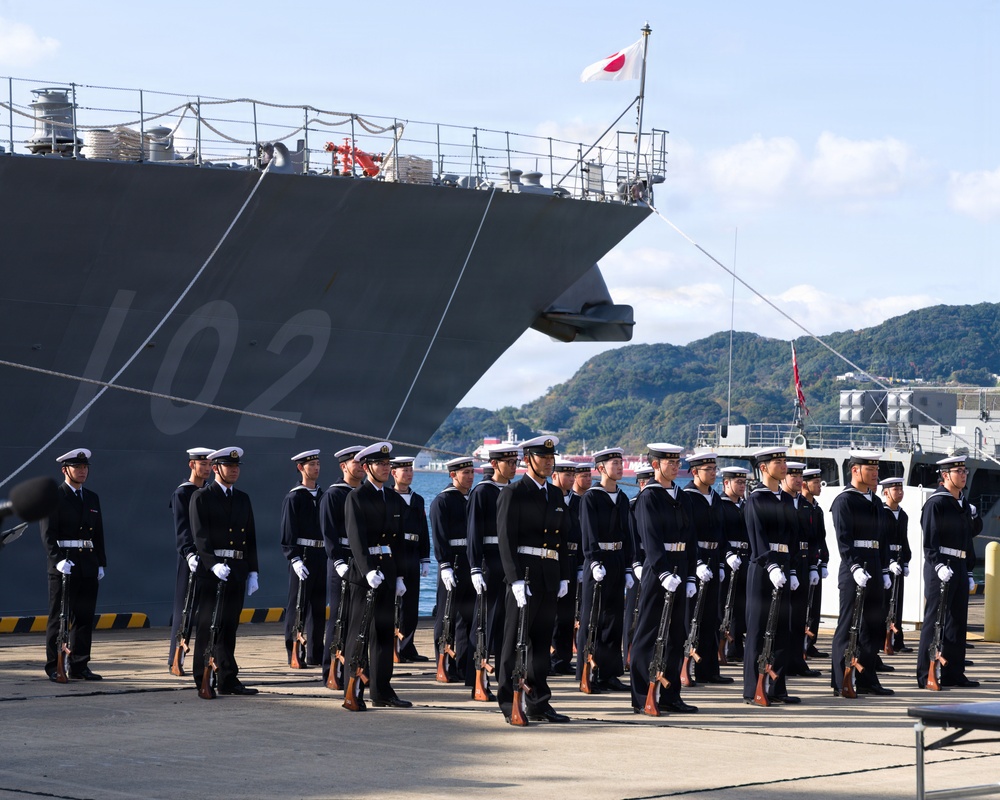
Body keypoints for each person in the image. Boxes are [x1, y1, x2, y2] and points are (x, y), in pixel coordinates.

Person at [496, 435, 572, 725]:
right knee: (514, 641)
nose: (550, 462)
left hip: (549, 575)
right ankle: (507, 701)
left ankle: (539, 702)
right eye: (544, 458)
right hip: (524, 576)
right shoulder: (513, 493)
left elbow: (562, 539)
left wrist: (564, 575)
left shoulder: (555, 495)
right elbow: (505, 540)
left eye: (552, 458)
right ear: (529, 460)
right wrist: (514, 579)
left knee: (541, 643)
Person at [629, 443, 697, 715]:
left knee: (676, 634)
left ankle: (670, 696)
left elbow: (691, 538)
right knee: (648, 633)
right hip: (659, 570)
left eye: (677, 461)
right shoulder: (649, 497)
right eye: (669, 462)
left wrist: (690, 574)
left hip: (680, 566)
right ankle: (642, 695)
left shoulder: (683, 496)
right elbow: (650, 538)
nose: (675, 465)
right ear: (655, 465)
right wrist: (662, 571)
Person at [343, 441, 410, 709]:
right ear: (367, 466)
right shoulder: (356, 497)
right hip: (365, 574)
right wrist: (368, 570)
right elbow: (356, 539)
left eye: (387, 464)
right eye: (380, 464)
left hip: (388, 571)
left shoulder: (393, 498)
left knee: (383, 633)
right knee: (358, 633)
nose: (385, 467)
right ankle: (353, 688)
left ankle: (382, 690)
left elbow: (400, 542)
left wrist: (401, 576)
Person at [190, 447, 260, 696]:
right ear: (216, 468)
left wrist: (253, 571)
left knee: (229, 626)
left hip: (237, 570)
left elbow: (250, 537)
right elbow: (200, 536)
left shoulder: (242, 498)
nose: (234, 470)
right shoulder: (201, 497)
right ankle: (202, 677)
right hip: (213, 571)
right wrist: (212, 563)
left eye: (236, 467)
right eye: (229, 467)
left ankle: (228, 678)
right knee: (208, 624)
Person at [830, 451, 893, 697]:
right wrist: (855, 567)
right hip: (853, 567)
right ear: (855, 470)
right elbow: (844, 540)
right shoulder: (844, 501)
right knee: (847, 625)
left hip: (875, 565)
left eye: (877, 469)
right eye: (870, 469)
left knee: (873, 626)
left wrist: (885, 569)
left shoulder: (875, 502)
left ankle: (867, 678)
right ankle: (839, 681)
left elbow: (883, 539)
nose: (876, 473)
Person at [41, 448, 107, 681]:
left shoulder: (91, 498)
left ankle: (79, 665)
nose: (82, 471)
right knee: (59, 616)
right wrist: (57, 560)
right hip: (64, 563)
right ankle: (53, 665)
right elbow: (48, 534)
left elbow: (98, 534)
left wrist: (100, 562)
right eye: (77, 467)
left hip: (87, 563)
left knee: (84, 617)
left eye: (85, 467)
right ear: (65, 470)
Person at [742, 447, 800, 706]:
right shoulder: (756, 498)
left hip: (784, 566)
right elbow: (757, 537)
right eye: (778, 461)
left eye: (784, 460)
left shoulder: (787, 499)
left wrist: (793, 568)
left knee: (781, 629)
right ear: (764, 467)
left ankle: (777, 687)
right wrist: (771, 565)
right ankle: (753, 687)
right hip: (764, 568)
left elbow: (792, 537)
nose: (784, 465)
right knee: (758, 629)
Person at [916, 455, 979, 688]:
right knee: (934, 621)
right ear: (945, 476)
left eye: (964, 471)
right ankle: (925, 674)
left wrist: (969, 569)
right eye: (958, 471)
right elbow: (930, 540)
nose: (963, 475)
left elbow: (968, 539)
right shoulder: (937, 502)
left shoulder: (961, 503)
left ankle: (954, 672)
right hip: (941, 567)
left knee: (957, 622)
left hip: (960, 566)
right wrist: (939, 564)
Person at [577, 447, 634, 693]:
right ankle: (587, 673)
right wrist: (593, 560)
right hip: (597, 562)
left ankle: (609, 673)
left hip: (617, 559)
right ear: (601, 468)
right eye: (615, 464)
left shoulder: (621, 498)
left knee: (613, 619)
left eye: (621, 463)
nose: (620, 468)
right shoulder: (591, 497)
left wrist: (630, 566)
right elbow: (588, 533)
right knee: (593, 619)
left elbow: (628, 533)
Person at [468, 445, 521, 694]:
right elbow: (474, 534)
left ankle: (503, 674)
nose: (513, 466)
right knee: (485, 622)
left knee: (507, 622)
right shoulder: (482, 491)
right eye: (508, 462)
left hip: (510, 560)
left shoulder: (515, 490)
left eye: (515, 461)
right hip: (490, 560)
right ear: (495, 464)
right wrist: (475, 567)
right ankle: (478, 677)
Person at [682, 452, 734, 685]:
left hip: (714, 558)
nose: (714, 472)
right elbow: (688, 534)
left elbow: (722, 534)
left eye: (714, 468)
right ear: (695, 472)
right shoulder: (688, 498)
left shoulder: (714, 497)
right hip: (696, 560)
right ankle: (684, 668)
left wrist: (721, 562)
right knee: (692, 617)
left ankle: (709, 670)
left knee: (712, 617)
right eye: (708, 469)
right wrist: (699, 563)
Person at [319, 445, 364, 686]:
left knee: (360, 618)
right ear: (343, 466)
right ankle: (331, 671)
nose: (359, 467)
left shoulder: (366, 493)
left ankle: (354, 669)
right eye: (354, 462)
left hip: (362, 561)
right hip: (343, 560)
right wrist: (337, 561)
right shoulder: (334, 494)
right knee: (339, 617)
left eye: (361, 462)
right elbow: (329, 533)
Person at [430, 456, 476, 684]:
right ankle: (443, 663)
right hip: (452, 562)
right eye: (465, 472)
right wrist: (444, 564)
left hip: (470, 562)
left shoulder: (472, 499)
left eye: (471, 472)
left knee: (467, 617)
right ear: (453, 475)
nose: (469, 476)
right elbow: (439, 537)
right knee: (446, 616)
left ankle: (464, 665)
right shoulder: (443, 501)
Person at [167, 447, 214, 672]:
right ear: (191, 465)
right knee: (184, 608)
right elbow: (182, 529)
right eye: (201, 464)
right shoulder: (182, 493)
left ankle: (204, 657)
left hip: (210, 558)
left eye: (209, 465)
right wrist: (189, 553)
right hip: (191, 558)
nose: (206, 469)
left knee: (207, 610)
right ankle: (175, 658)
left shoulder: (210, 492)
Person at [280, 450, 326, 667]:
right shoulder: (294, 497)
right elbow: (288, 532)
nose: (316, 468)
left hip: (321, 555)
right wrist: (294, 558)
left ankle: (315, 653)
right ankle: (294, 651)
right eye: (312, 464)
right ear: (301, 468)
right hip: (303, 556)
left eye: (317, 463)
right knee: (297, 605)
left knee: (318, 607)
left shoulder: (323, 495)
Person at [781, 462, 821, 679]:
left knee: (799, 616)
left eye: (799, 476)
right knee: (783, 617)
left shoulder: (806, 506)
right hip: (784, 562)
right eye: (793, 476)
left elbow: (814, 538)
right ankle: (782, 661)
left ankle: (797, 660)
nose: (797, 480)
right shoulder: (781, 502)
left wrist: (815, 565)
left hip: (804, 562)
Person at [390, 455, 430, 662]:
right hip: (396, 553)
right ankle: (393, 646)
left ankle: (407, 646)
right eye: (403, 470)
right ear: (393, 473)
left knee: (411, 604)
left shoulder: (417, 499)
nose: (408, 474)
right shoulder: (388, 497)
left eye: (410, 470)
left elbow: (424, 531)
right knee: (395, 603)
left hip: (413, 554)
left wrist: (425, 558)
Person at [549, 458, 581, 675]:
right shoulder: (548, 500)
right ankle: (547, 657)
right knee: (549, 613)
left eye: (572, 475)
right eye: (566, 475)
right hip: (551, 560)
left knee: (568, 613)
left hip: (571, 560)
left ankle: (562, 658)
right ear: (554, 476)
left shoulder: (578, 502)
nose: (570, 479)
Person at [718, 466, 750, 661]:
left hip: (745, 557)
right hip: (727, 559)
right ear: (726, 483)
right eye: (738, 482)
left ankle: (736, 644)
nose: (742, 486)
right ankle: (722, 645)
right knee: (725, 604)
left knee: (741, 605)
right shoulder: (719, 505)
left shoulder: (745, 505)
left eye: (744, 482)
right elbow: (719, 534)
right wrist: (728, 554)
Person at [622, 464, 653, 669]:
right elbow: (630, 538)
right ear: (641, 483)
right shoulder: (633, 505)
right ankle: (628, 653)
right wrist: (635, 564)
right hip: (638, 561)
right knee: (632, 610)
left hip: (653, 561)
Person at [879, 476, 912, 655]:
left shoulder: (903, 514)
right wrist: (888, 561)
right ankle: (882, 640)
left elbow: (904, 541)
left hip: (899, 562)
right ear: (886, 492)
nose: (899, 493)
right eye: (895, 490)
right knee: (885, 603)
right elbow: (882, 540)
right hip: (886, 564)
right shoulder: (882, 513)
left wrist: (906, 561)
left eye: (901, 489)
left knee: (897, 603)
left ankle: (897, 641)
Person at [801, 468, 829, 657]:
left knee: (815, 605)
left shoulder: (817, 509)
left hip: (816, 562)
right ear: (805, 484)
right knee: (803, 604)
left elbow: (821, 538)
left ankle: (810, 643)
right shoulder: (800, 506)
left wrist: (824, 561)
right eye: (816, 483)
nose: (819, 486)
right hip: (803, 561)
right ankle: (800, 643)